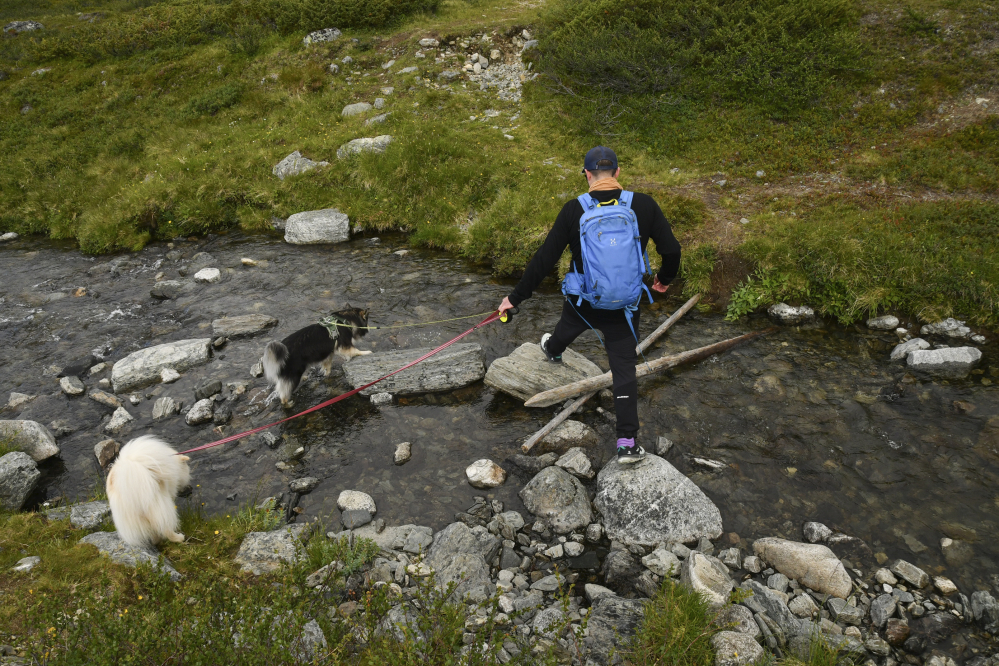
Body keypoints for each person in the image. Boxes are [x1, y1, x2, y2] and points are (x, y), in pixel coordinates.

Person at [498, 146, 681, 464]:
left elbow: (544, 260)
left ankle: (553, 351)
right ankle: (626, 443)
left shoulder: (574, 210)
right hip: (625, 305)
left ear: (587, 174)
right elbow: (672, 251)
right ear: (618, 173)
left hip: (584, 301)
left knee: (567, 326)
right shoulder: (643, 205)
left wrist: (514, 299)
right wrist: (663, 282)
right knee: (623, 369)